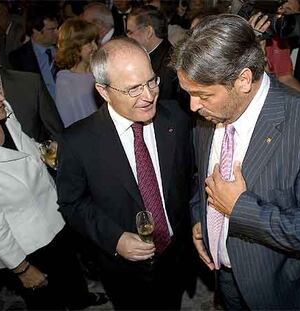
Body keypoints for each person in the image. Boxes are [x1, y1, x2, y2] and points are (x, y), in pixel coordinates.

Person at [173, 14, 300, 309]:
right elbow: (200, 179)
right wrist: (199, 218)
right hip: (225, 280)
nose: (193, 105)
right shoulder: (207, 115)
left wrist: (239, 208)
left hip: (283, 290)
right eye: (189, 93)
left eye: (202, 94)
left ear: (243, 80)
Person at [0, 58, 108, 310]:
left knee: (72, 281)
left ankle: (81, 300)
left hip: (56, 218)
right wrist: (22, 269)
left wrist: (45, 150)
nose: (0, 97)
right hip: (29, 249)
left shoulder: (2, 112)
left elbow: (25, 149)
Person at [57, 37, 196, 310]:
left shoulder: (177, 119)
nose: (148, 96)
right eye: (133, 89)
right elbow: (72, 203)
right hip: (123, 270)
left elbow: (189, 178)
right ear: (104, 91)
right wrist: (114, 238)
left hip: (176, 258)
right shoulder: (78, 141)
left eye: (151, 82)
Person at [127, 5, 179, 101]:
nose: (127, 37)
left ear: (148, 32)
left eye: (130, 32)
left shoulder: (169, 66)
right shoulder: (158, 56)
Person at [55, 18, 99, 128]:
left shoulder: (100, 71)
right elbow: (69, 123)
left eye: (95, 41)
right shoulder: (65, 80)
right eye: (89, 43)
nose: (95, 47)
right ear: (75, 47)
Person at [9, 8, 59, 100]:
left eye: (57, 28)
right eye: (52, 29)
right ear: (36, 31)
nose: (58, 32)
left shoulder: (64, 48)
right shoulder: (18, 58)